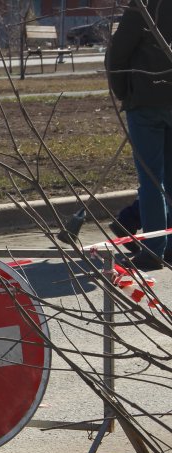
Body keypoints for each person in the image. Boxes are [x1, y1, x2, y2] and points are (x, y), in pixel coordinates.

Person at [107, 0, 172, 270]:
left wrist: (127, 94)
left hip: (145, 102)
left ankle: (154, 251)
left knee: (151, 181)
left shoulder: (145, 5)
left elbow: (117, 54)